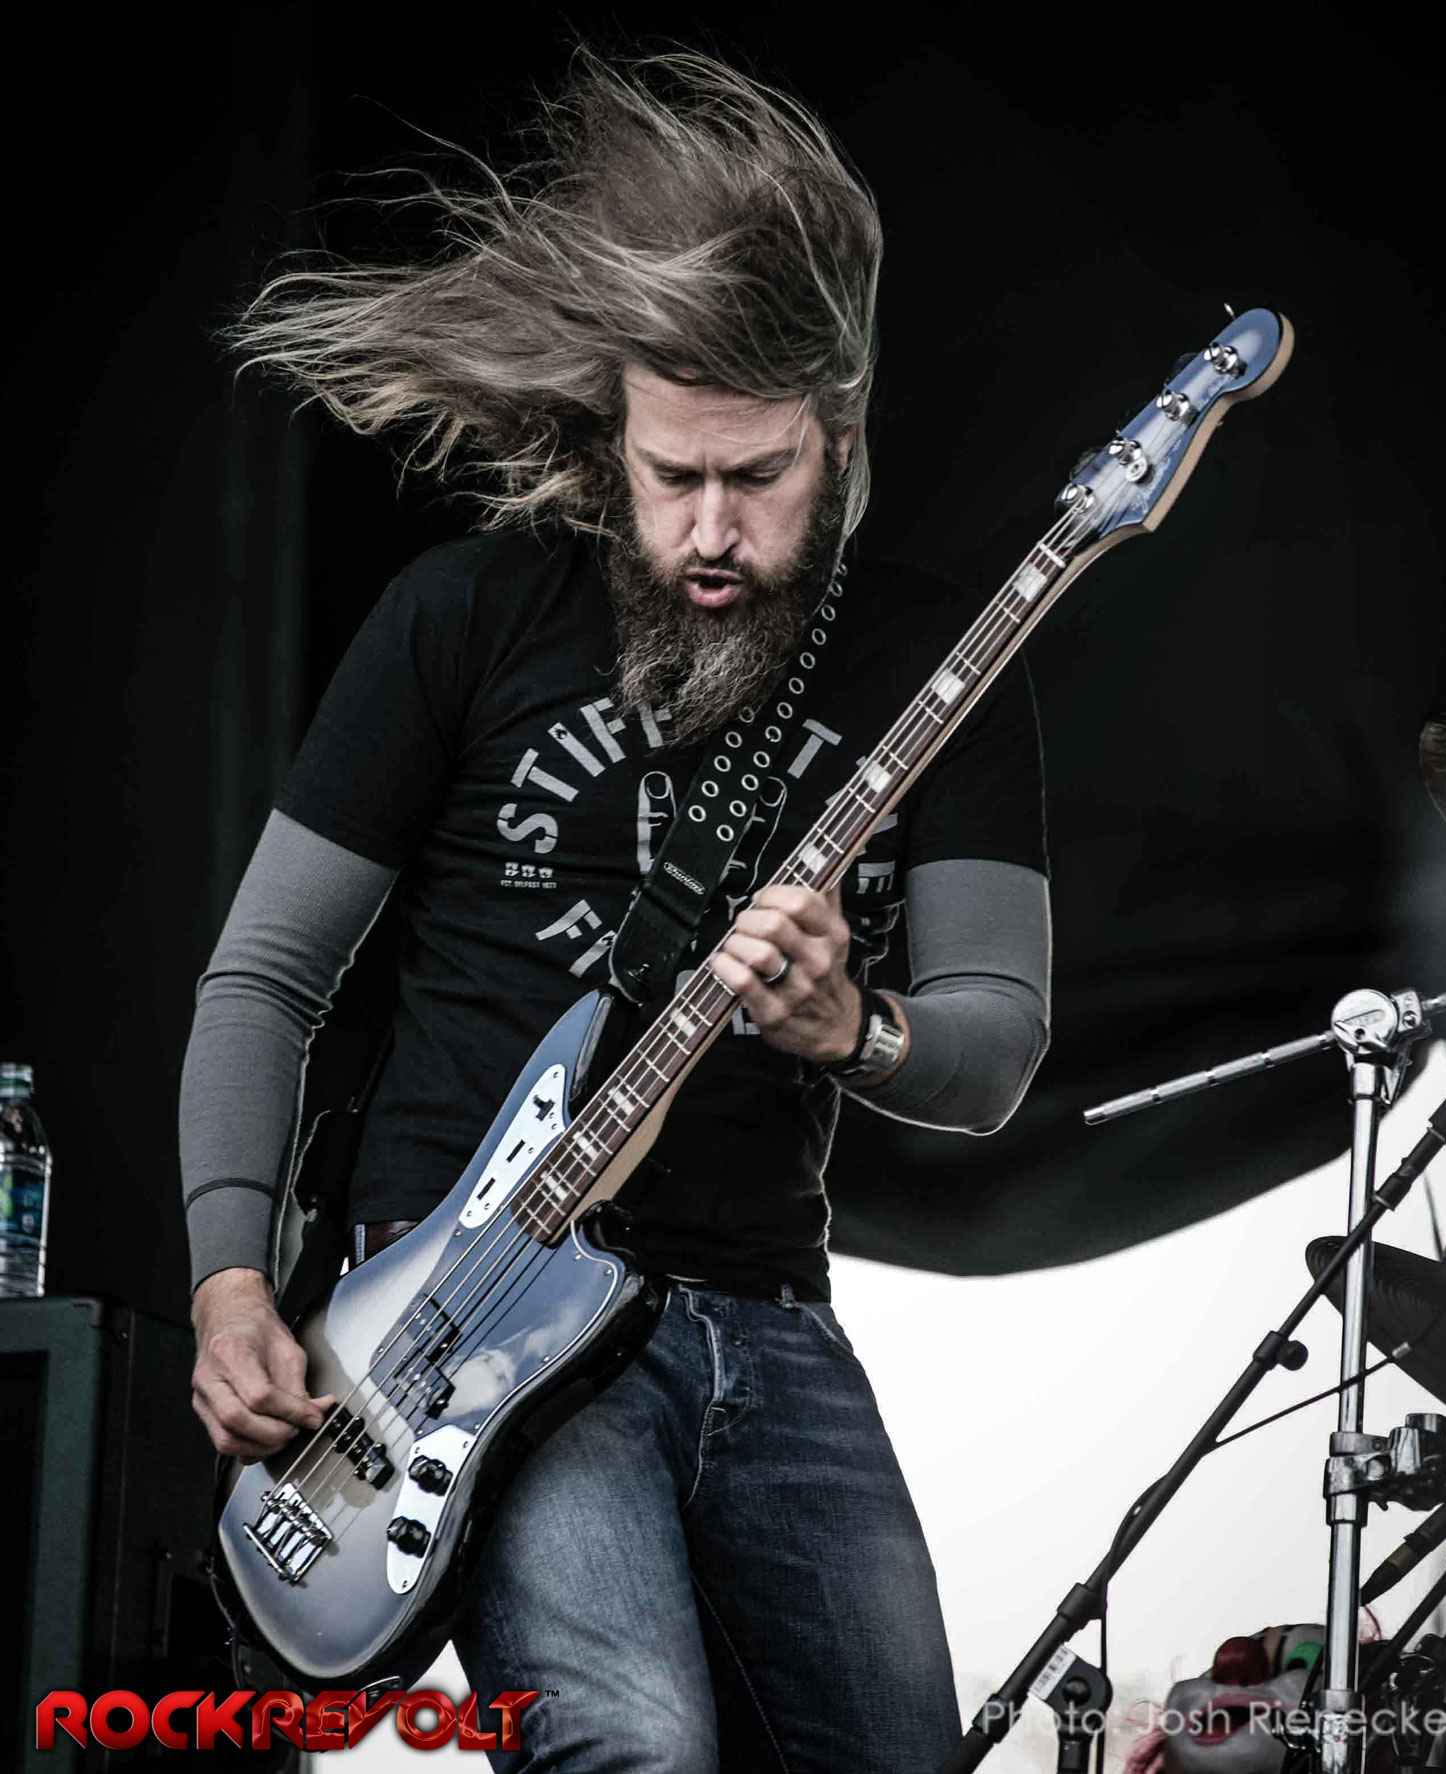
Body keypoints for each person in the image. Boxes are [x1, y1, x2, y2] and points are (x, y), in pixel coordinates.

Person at [183, 46, 1051, 1772]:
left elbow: (999, 1042)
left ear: (838, 440)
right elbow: (264, 976)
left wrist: (853, 1025)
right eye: (673, 476)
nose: (712, 529)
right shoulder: (466, 615)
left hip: (767, 1315)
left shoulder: (935, 664)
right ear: (615, 440)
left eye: (761, 476)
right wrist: (226, 1281)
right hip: (467, 1305)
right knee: (630, 1741)